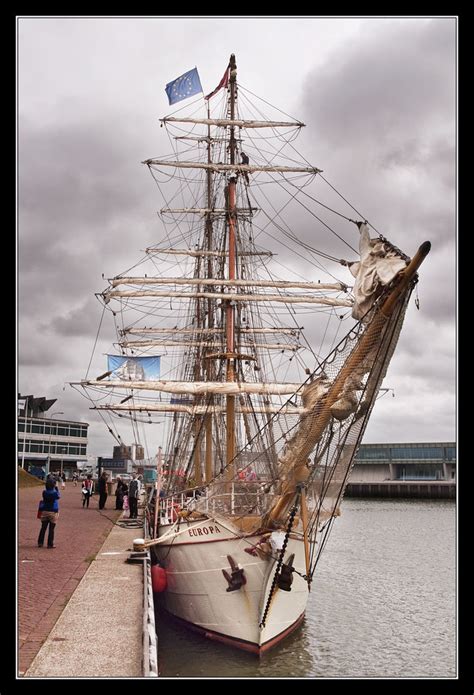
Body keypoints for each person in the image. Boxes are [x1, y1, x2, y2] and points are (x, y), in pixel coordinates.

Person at [37, 479, 60, 548]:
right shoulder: (55, 493)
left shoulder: (44, 492)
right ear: (53, 485)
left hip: (44, 511)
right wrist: (56, 488)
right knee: (51, 529)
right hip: (53, 511)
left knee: (43, 528)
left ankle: (40, 542)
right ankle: (50, 544)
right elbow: (58, 496)